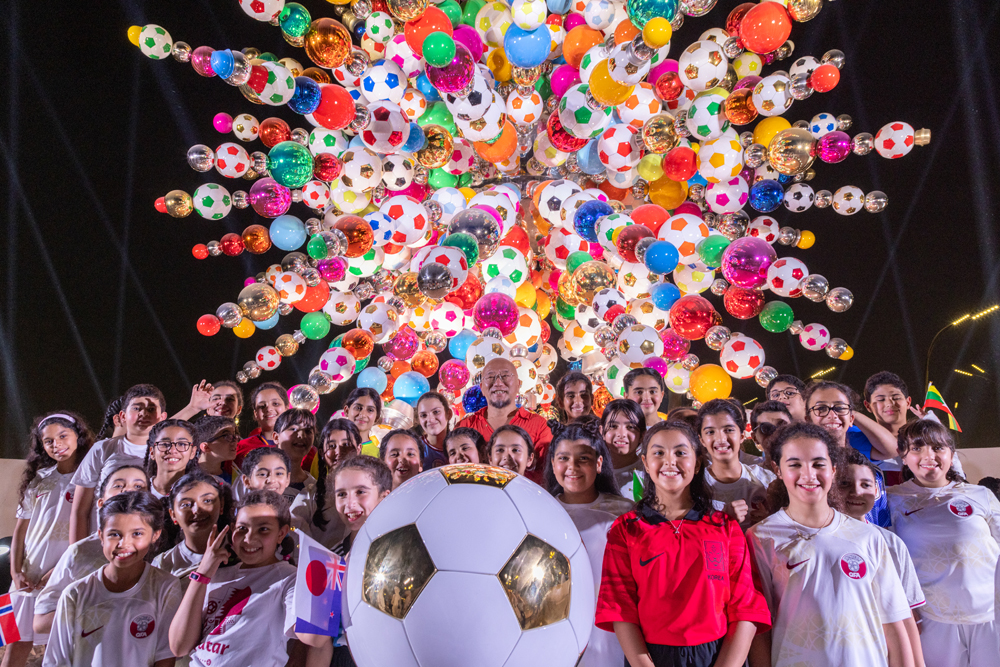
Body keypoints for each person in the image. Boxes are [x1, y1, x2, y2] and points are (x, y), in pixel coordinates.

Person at [596, 421, 771, 667]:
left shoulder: (725, 527)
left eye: (680, 452)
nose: (670, 461)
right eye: (658, 453)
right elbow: (619, 607)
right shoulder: (626, 530)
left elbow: (746, 608)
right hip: (652, 657)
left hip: (719, 655)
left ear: (697, 462)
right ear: (645, 463)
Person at [746, 422, 914, 667]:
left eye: (818, 464)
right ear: (777, 469)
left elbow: (892, 622)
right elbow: (760, 630)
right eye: (794, 464)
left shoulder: (867, 536)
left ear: (833, 469)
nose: (808, 475)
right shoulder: (760, 538)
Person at [167, 490, 330, 666]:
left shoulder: (289, 578)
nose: (249, 538)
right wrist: (202, 573)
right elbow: (179, 646)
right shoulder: (215, 575)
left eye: (264, 529)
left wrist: (326, 572)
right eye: (242, 528)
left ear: (281, 533)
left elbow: (315, 638)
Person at [887, 420, 1000, 667]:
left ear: (951, 454)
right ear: (902, 456)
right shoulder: (891, 500)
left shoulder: (979, 495)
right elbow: (887, 562)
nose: (929, 456)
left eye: (938, 448)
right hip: (932, 619)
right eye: (917, 448)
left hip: (991, 614)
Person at [44, 491, 183, 667]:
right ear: (101, 536)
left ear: (155, 535)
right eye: (114, 534)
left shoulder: (165, 586)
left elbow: (164, 657)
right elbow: (56, 661)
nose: (123, 543)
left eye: (137, 534)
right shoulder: (75, 595)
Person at [5, 412, 94, 666]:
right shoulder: (39, 478)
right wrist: (15, 572)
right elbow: (20, 530)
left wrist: (59, 571)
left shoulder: (91, 479)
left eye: (63, 436)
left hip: (65, 576)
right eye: (49, 441)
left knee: (63, 647)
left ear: (78, 435)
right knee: (15, 644)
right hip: (27, 579)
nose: (57, 444)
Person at [544, 423, 632, 667]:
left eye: (583, 458)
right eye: (563, 458)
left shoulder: (624, 512)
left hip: (611, 634)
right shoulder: (539, 511)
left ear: (599, 463)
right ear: (553, 464)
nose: (572, 467)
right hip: (553, 628)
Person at [33, 465, 150, 636]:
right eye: (118, 485)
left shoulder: (161, 549)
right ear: (101, 502)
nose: (128, 491)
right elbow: (41, 622)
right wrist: (100, 614)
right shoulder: (80, 552)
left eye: (138, 486)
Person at [837, 448, 926, 667]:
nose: (856, 492)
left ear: (877, 490)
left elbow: (909, 618)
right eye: (845, 484)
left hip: (883, 655)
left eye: (865, 485)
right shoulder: (815, 540)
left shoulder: (891, 543)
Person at [70, 384, 168, 543]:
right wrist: (77, 552)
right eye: (137, 408)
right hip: (101, 545)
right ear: (122, 416)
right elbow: (80, 510)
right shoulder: (103, 448)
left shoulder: (168, 452)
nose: (144, 413)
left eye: (151, 409)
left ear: (162, 417)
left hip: (145, 545)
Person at [327, 456, 393, 667]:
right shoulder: (332, 558)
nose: (350, 503)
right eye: (342, 494)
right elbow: (321, 640)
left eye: (361, 492)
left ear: (384, 497)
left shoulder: (403, 554)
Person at [805, 381, 894, 526]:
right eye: (821, 408)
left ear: (852, 418)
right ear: (807, 419)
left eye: (840, 408)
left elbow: (882, 525)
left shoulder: (871, 472)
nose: (832, 414)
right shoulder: (802, 473)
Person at [456, 358, 552, 478]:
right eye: (490, 377)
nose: (498, 383)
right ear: (482, 388)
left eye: (505, 376)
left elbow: (546, 476)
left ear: (518, 384)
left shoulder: (539, 426)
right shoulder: (465, 427)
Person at [697, 400, 775, 530]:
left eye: (728, 430)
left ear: (742, 435)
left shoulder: (767, 480)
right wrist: (721, 521)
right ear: (702, 440)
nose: (721, 439)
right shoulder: (694, 487)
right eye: (710, 432)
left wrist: (771, 520)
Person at [153, 471, 234, 584]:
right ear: (173, 515)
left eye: (207, 501)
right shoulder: (163, 564)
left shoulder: (241, 549)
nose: (197, 510)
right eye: (186, 504)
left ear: (221, 505)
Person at [289, 419, 360, 549]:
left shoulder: (372, 490)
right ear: (322, 453)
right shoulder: (311, 494)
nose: (338, 452)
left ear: (359, 449)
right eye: (332, 446)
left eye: (346, 444)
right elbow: (292, 528)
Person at [600, 399, 647, 501]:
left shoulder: (649, 473)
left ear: (642, 435)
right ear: (601, 431)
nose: (621, 434)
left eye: (630, 427)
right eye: (613, 426)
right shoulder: (594, 471)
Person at [234, 382, 288, 468]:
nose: (269, 409)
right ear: (255, 414)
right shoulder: (240, 447)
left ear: (286, 408)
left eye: (275, 404)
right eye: (262, 406)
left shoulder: (301, 446)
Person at [144, 420, 200, 500]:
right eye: (165, 444)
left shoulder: (201, 493)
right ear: (152, 452)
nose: (172, 450)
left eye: (182, 444)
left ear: (192, 452)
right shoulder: (138, 490)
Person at [273, 409, 318, 506]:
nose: (301, 435)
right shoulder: (257, 480)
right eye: (293, 429)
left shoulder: (314, 488)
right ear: (276, 437)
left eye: (308, 431)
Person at [414, 392, 452, 469]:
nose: (430, 419)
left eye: (436, 412)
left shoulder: (461, 444)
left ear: (449, 414)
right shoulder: (414, 449)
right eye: (423, 415)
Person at [748, 401, 792, 469]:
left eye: (783, 426)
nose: (775, 433)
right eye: (766, 428)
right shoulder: (750, 477)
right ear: (755, 438)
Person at [343, 387, 384, 458]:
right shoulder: (332, 448)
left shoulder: (380, 456)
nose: (363, 414)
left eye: (370, 410)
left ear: (377, 417)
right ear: (346, 411)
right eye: (358, 408)